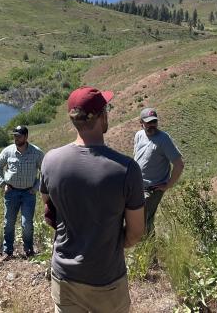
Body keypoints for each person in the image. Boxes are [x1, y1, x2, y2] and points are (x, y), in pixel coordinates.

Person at [40, 86, 145, 313]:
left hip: (64, 276)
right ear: (102, 117)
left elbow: (49, 209)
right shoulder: (126, 169)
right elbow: (136, 231)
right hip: (107, 279)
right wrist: (116, 244)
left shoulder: (50, 161)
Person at [0, 125, 44, 259]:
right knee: (8, 223)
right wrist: (3, 183)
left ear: (26, 137)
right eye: (15, 136)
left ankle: (28, 250)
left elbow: (45, 171)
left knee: (27, 224)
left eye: (19, 136)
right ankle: (7, 251)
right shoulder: (8, 151)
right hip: (11, 193)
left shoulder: (36, 152)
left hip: (29, 193)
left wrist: (36, 187)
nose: (16, 138)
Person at [132, 107, 184, 235]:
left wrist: (168, 185)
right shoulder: (139, 135)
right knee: (137, 218)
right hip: (138, 186)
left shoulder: (164, 139)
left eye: (154, 121)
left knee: (144, 220)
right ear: (141, 123)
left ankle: (149, 252)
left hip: (153, 188)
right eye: (148, 122)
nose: (152, 125)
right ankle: (147, 249)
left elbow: (179, 165)